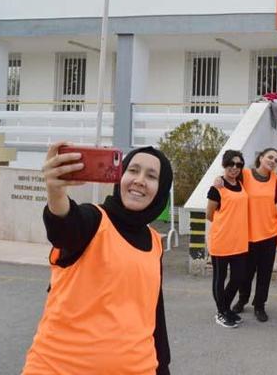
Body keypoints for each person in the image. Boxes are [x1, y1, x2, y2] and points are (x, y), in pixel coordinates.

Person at [23, 143, 172, 374]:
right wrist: (56, 192)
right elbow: (65, 228)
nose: (140, 180)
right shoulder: (94, 220)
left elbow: (153, 315)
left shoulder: (155, 242)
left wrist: (163, 367)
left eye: (151, 176)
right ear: (120, 177)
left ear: (161, 190)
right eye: (133, 170)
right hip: (58, 368)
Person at [232, 148, 277, 323]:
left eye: (276, 159)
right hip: (248, 234)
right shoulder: (245, 175)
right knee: (246, 273)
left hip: (269, 234)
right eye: (270, 157)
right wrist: (218, 181)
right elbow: (229, 181)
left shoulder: (276, 179)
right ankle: (242, 300)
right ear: (261, 158)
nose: (273, 161)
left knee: (264, 274)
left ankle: (259, 305)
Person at [206, 150, 248, 328]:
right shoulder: (217, 188)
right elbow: (209, 214)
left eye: (239, 164)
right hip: (221, 241)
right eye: (231, 163)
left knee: (238, 277)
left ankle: (225, 307)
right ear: (224, 164)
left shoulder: (241, 183)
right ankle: (221, 312)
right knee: (219, 278)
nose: (235, 167)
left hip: (239, 242)